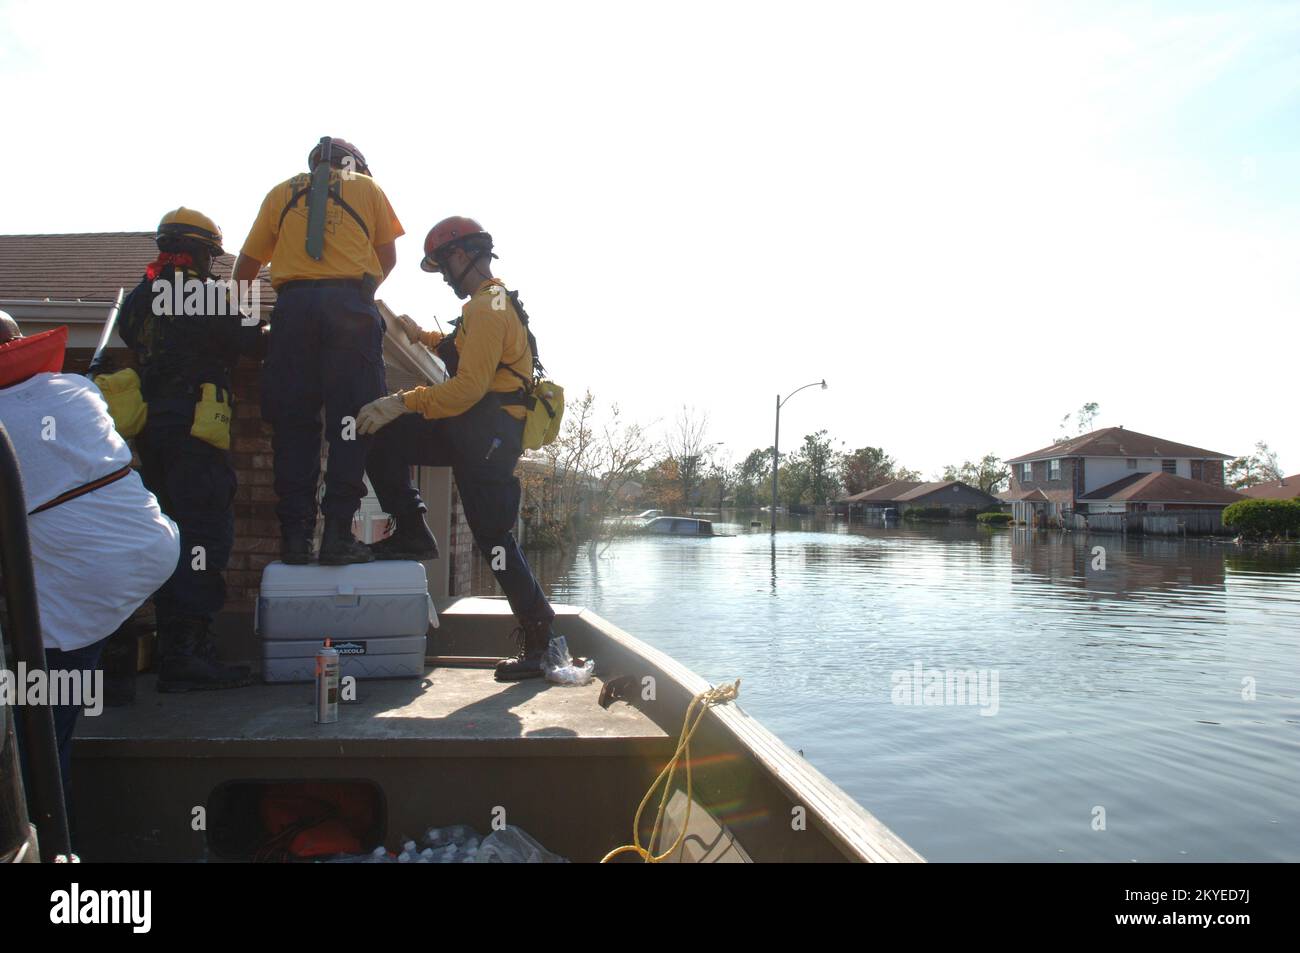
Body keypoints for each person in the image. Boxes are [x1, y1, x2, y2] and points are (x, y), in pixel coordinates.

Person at [357, 218, 557, 681]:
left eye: (444, 265)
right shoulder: (489, 303)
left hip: (486, 433)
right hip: (479, 430)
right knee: (383, 438)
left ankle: (539, 634)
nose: (445, 276)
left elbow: (467, 388)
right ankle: (412, 530)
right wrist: (417, 336)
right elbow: (458, 350)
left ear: (463, 255)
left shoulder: (489, 307)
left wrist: (400, 401)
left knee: (493, 538)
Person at [0, 314, 179, 811]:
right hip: (152, 544)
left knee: (41, 720)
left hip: (87, 578)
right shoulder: (78, 390)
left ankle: (46, 829)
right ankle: (111, 674)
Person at [116, 208, 268, 692]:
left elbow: (129, 336)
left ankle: (169, 647)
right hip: (196, 432)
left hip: (152, 434)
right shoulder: (207, 295)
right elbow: (248, 340)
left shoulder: (140, 299)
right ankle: (189, 655)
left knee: (169, 535)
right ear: (203, 253)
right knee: (203, 537)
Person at [232, 137, 404, 566]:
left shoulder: (281, 192)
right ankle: (337, 540)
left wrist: (252, 319)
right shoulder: (368, 189)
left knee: (294, 426)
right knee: (353, 421)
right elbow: (388, 257)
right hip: (348, 308)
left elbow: (244, 270)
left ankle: (295, 540)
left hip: (292, 312)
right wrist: (357, 295)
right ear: (357, 164)